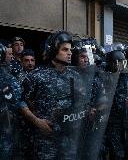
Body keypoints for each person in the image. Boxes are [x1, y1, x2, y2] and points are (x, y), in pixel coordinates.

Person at [20, 31, 90, 159]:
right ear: (53, 50)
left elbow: (82, 103)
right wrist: (36, 121)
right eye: (65, 49)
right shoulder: (36, 76)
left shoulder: (75, 76)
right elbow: (22, 102)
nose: (70, 53)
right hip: (45, 140)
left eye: (70, 50)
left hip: (68, 138)